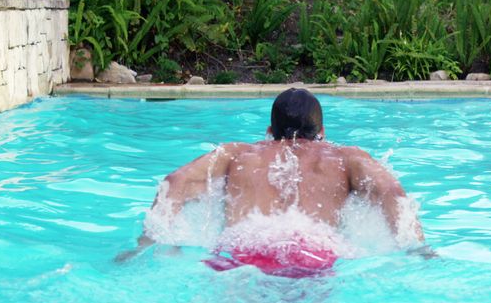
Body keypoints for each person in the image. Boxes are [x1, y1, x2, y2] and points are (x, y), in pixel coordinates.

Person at [117, 88, 431, 276]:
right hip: (314, 258)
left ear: (270, 130)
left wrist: (147, 245)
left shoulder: (236, 153)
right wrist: (418, 249)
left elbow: (175, 182)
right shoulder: (345, 157)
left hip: (240, 255)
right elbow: (392, 193)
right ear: (321, 132)